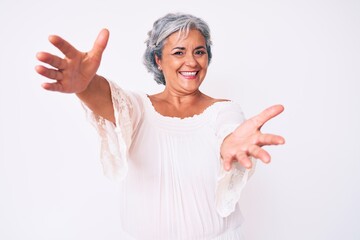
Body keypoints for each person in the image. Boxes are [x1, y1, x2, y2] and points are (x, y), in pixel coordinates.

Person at [35, 12, 285, 240]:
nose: (192, 62)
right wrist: (85, 84)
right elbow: (109, 99)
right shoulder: (138, 109)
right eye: (179, 52)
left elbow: (229, 133)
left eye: (199, 51)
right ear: (158, 60)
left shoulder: (224, 110)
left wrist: (231, 143)